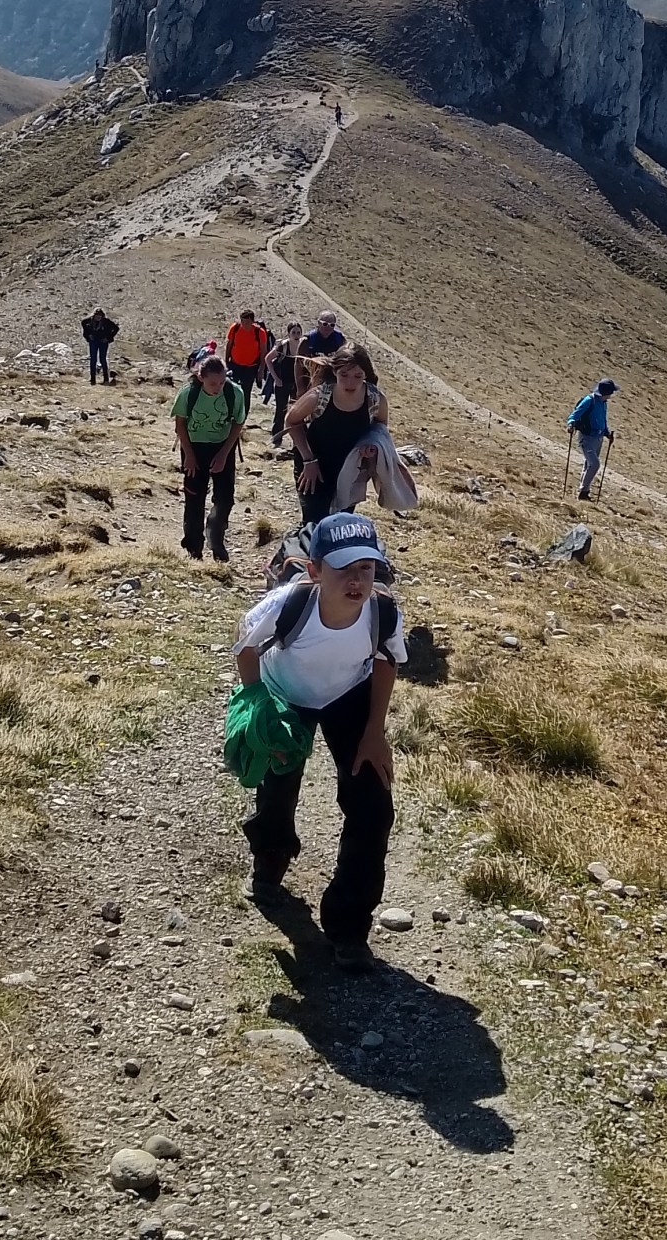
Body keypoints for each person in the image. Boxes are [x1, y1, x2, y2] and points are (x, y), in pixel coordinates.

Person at [234, 511, 405, 971]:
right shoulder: (289, 603)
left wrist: (374, 732)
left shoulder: (382, 610)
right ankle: (270, 857)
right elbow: (245, 642)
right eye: (342, 568)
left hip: (349, 697)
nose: (356, 580)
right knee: (277, 784)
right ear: (314, 570)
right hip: (286, 697)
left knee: (373, 807)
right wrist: (258, 704)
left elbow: (387, 659)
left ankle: (348, 927)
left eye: (366, 567)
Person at [284, 344, 388, 525]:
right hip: (313, 466)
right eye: (344, 375)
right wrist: (308, 460)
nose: (350, 383)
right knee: (315, 522)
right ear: (334, 372)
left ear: (366, 375)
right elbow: (291, 421)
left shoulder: (375, 399)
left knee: (340, 523)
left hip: (350, 468)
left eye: (357, 376)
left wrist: (370, 445)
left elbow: (380, 429)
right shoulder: (320, 396)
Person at [173, 354, 246, 561]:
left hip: (223, 447)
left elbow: (238, 423)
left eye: (222, 382)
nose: (218, 388)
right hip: (194, 447)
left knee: (225, 499)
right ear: (200, 377)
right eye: (213, 383)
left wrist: (224, 454)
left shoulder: (234, 393)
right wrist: (189, 456)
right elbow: (180, 425)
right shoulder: (188, 393)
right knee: (194, 498)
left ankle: (216, 539)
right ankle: (193, 546)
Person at [568, 378, 617, 500]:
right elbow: (575, 414)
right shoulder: (589, 400)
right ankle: (583, 491)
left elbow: (603, 419)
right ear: (606, 392)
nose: (611, 395)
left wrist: (607, 433)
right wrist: (571, 424)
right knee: (594, 464)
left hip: (598, 438)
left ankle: (583, 492)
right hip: (587, 437)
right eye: (611, 392)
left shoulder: (603, 403)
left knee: (588, 465)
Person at [263, 319, 302, 446]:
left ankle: (297, 442)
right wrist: (276, 378)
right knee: (280, 411)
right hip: (282, 384)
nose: (296, 335)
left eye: (298, 332)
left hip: (297, 385)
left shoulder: (303, 347)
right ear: (289, 334)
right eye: (293, 332)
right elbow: (268, 359)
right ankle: (276, 439)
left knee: (297, 413)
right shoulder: (283, 346)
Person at [224, 308, 270, 411]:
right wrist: (226, 362)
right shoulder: (235, 328)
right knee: (231, 389)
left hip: (251, 367)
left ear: (253, 321)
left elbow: (263, 352)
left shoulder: (260, 332)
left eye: (247, 322)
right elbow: (229, 345)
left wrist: (261, 370)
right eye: (242, 321)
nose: (244, 324)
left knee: (246, 392)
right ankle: (231, 412)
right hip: (234, 365)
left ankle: (243, 415)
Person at [81, 307, 119, 386]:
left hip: (103, 342)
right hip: (93, 342)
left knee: (102, 359)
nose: (98, 317)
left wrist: (108, 338)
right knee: (93, 359)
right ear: (94, 315)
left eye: (100, 316)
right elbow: (83, 324)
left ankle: (106, 379)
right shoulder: (88, 321)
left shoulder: (106, 322)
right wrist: (88, 336)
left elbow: (116, 328)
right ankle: (92, 379)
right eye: (97, 316)